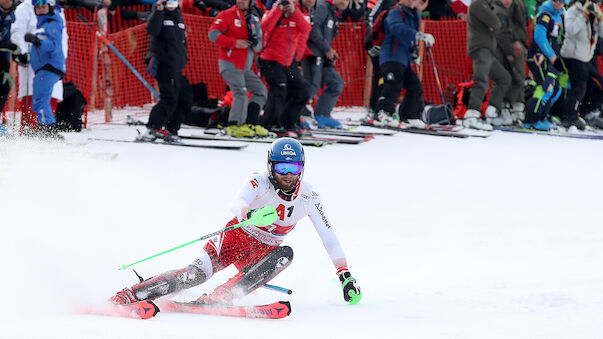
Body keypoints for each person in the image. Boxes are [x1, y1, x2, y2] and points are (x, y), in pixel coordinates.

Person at [110, 137, 362, 306]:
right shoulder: (259, 182)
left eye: (294, 168)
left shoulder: (308, 196)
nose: (287, 175)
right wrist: (247, 215)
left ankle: (222, 296)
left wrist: (345, 275)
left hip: (262, 252)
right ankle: (131, 294)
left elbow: (328, 236)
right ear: (271, 166)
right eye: (282, 168)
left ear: (302, 169)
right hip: (234, 237)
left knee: (285, 253)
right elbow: (237, 202)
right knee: (195, 275)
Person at [208, 0, 269, 138]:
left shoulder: (254, 19)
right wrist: (234, 43)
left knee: (260, 91)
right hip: (229, 63)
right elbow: (213, 34)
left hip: (244, 67)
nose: (240, 1)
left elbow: (259, 45)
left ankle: (250, 123)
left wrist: (255, 43)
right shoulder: (227, 14)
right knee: (240, 91)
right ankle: (234, 125)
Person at [11, 0, 67, 133]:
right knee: (39, 97)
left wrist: (37, 41)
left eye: (44, 7)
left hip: (49, 65)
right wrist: (22, 53)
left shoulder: (52, 22)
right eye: (39, 7)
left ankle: (46, 129)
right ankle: (40, 128)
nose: (41, 9)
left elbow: (54, 42)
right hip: (39, 65)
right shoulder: (31, 13)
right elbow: (17, 32)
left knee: (41, 98)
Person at [374, 0, 432, 129]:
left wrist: (414, 53)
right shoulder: (396, 11)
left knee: (415, 85)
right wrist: (417, 35)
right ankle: (382, 113)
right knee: (393, 85)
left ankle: (409, 115)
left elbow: (410, 38)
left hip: (404, 59)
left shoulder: (412, 15)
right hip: (391, 56)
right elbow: (397, 28)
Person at [137, 0, 188, 143]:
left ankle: (171, 128)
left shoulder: (179, 18)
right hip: (163, 63)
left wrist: (184, 58)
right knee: (169, 97)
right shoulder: (159, 14)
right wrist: (158, 10)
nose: (172, 5)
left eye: (175, 1)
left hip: (177, 65)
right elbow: (152, 30)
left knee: (183, 97)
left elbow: (182, 42)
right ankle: (154, 127)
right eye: (169, 1)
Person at [259, 0, 312, 137]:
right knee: (278, 89)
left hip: (288, 64)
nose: (287, 5)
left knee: (302, 91)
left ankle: (288, 122)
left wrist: (294, 12)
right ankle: (269, 124)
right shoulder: (272, 12)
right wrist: (278, 10)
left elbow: (306, 29)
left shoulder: (297, 15)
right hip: (271, 61)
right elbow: (265, 27)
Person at [464, 0, 511, 131]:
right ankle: (472, 114)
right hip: (480, 47)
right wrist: (494, 24)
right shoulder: (478, 4)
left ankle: (492, 112)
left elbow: (496, 25)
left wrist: (494, 24)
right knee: (481, 79)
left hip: (488, 50)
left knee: (504, 78)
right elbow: (495, 22)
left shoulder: (487, 5)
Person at [302, 0, 349, 129]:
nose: (343, 2)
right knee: (312, 85)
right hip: (312, 54)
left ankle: (322, 115)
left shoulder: (335, 13)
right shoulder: (323, 7)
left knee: (336, 83)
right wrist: (326, 48)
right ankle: (295, 115)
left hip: (323, 56)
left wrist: (329, 52)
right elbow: (312, 28)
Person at [558, 0, 603, 130]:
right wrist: (583, 15)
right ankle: (569, 116)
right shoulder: (573, 11)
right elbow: (571, 30)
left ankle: (588, 112)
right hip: (572, 56)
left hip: (585, 57)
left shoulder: (594, 15)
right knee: (579, 87)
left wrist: (599, 17)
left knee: (598, 83)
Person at [523, 0, 565, 131]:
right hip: (540, 57)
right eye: (556, 0)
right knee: (546, 87)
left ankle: (542, 116)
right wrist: (551, 55)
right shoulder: (545, 14)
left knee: (556, 89)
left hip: (553, 59)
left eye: (562, 1)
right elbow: (539, 36)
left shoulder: (560, 15)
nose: (559, 3)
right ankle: (531, 119)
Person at [492, 0, 528, 125]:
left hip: (516, 47)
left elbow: (519, 27)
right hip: (501, 48)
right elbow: (501, 32)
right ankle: (502, 109)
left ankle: (517, 108)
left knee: (518, 77)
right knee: (505, 78)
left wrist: (521, 42)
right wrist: (509, 51)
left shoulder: (519, 5)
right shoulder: (497, 9)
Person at [0, 0, 19, 117]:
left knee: (6, 84)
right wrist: (8, 46)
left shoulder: (11, 15)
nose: (7, 1)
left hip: (3, 59)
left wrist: (18, 53)